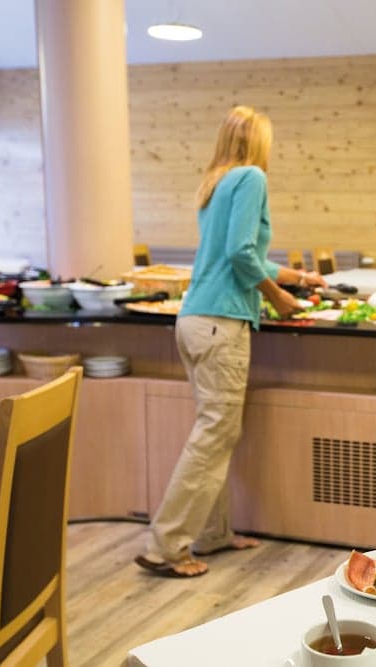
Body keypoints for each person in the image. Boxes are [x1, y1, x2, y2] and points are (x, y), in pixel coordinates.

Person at [135, 106, 326, 577]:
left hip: (195, 319)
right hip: (222, 322)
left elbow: (242, 255)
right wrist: (278, 297)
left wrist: (297, 277)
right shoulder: (251, 178)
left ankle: (213, 533)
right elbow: (241, 255)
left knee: (215, 431)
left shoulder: (216, 183)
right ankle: (165, 547)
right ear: (256, 142)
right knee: (214, 434)